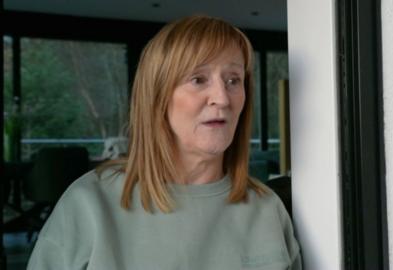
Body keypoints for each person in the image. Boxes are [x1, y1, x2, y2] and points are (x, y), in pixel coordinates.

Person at [27, 15, 302, 270]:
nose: (222, 97)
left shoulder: (268, 210)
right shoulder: (88, 204)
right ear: (158, 96)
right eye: (198, 79)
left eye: (233, 80)